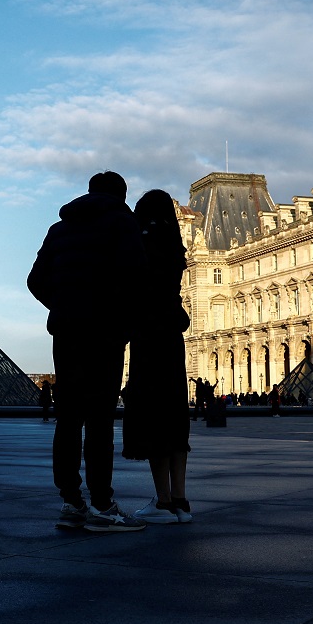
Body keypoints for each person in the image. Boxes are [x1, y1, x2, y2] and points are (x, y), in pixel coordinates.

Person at [28, 171, 146, 532]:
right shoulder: (123, 223)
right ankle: (102, 504)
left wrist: (64, 306)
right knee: (99, 421)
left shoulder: (58, 229)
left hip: (66, 332)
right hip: (105, 333)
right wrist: (120, 319)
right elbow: (136, 277)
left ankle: (71, 501)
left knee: (68, 418)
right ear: (121, 196)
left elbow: (35, 281)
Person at [121, 189, 193, 524]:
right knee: (175, 417)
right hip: (172, 338)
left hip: (148, 337)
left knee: (154, 416)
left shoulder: (142, 245)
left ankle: (162, 501)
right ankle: (180, 501)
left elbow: (132, 290)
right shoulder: (175, 247)